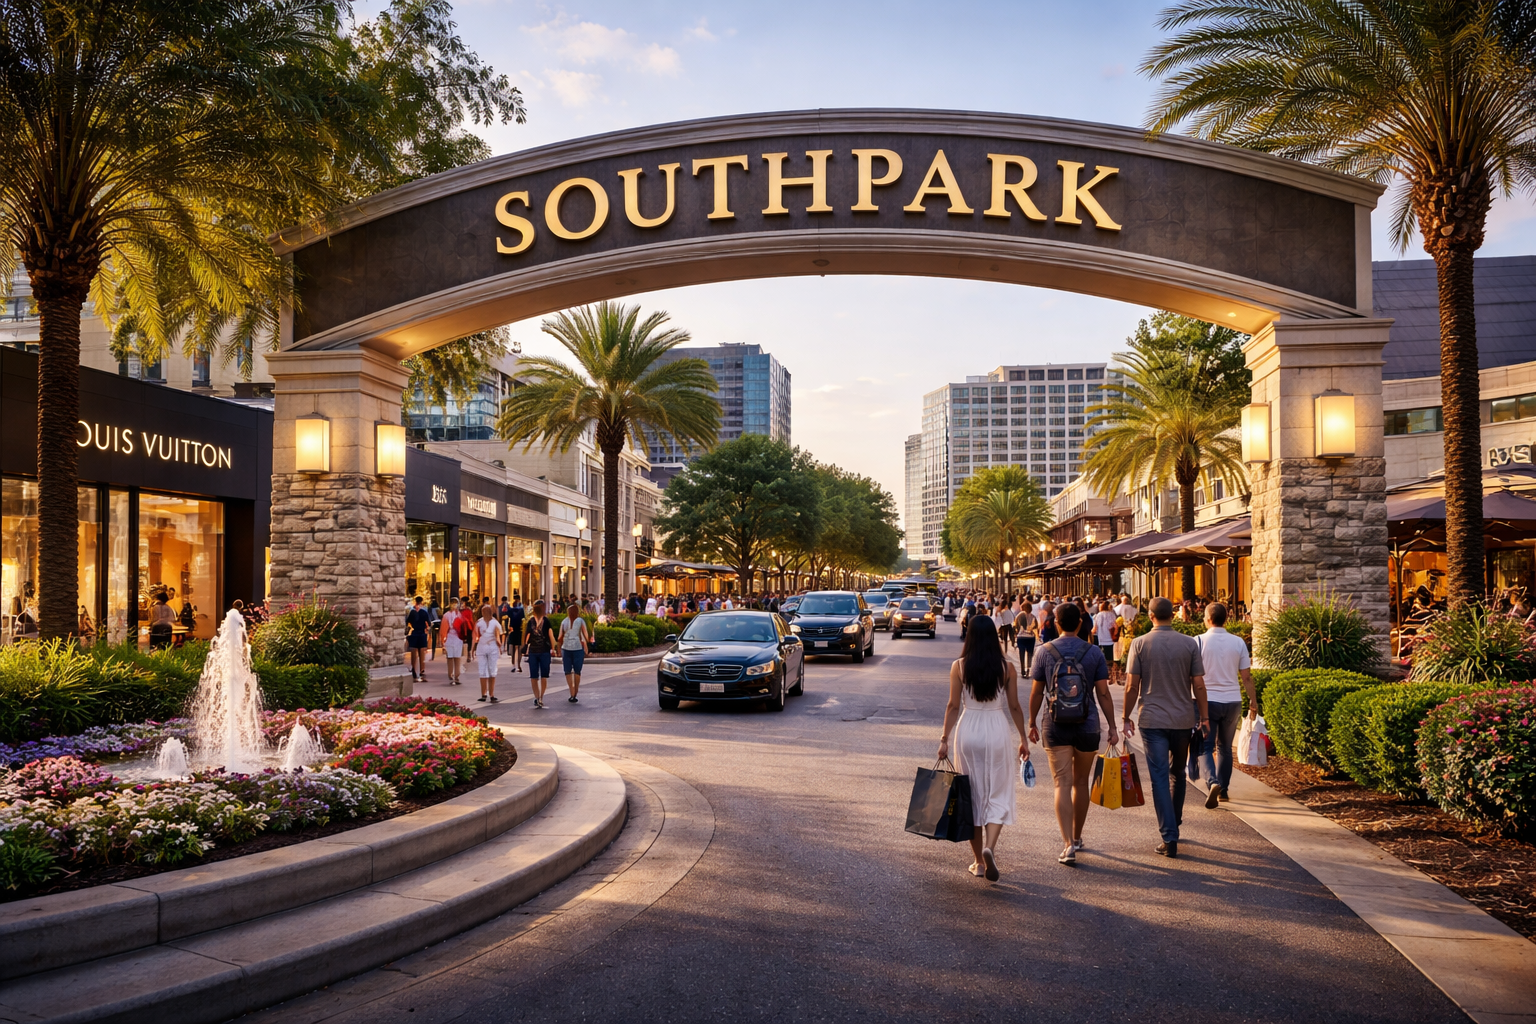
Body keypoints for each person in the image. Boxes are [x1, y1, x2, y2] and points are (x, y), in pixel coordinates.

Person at [937, 615, 1030, 882]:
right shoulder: (1007, 668)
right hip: (996, 729)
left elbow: (953, 706)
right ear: (994, 636)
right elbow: (1014, 706)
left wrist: (944, 738)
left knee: (971, 796)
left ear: (969, 637)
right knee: (997, 792)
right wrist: (1023, 738)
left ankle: (978, 862)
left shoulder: (959, 666)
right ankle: (990, 846)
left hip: (968, 730)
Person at [1028, 602, 1119, 865]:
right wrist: (1112, 726)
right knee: (1081, 783)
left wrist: (1031, 722)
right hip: (1088, 725)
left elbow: (1036, 692)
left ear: (1055, 623)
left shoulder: (1043, 652)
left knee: (1061, 784)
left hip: (1055, 724)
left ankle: (1067, 844)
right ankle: (1078, 837)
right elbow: (1102, 692)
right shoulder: (1093, 653)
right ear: (1080, 623)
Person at [1122, 596, 1209, 857]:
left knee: (1159, 777)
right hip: (1183, 720)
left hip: (1153, 719)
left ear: (1150, 616)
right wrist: (1204, 718)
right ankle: (1174, 823)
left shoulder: (1139, 644)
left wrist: (1125, 717)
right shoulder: (1189, 644)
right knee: (1177, 773)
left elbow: (1131, 686)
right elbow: (1200, 685)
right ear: (1173, 615)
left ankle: (1169, 835)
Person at [1194, 602, 1257, 807]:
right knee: (1225, 748)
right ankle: (1224, 790)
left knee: (1205, 746)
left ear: (1208, 618)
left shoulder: (1198, 642)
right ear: (1226, 619)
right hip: (1232, 700)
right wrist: (1253, 702)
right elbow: (1246, 677)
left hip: (1207, 701)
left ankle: (1212, 781)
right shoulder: (1238, 642)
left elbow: (1191, 676)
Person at [522, 600, 558, 708]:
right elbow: (551, 636)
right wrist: (553, 649)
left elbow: (527, 636)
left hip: (534, 651)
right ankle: (540, 697)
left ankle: (537, 697)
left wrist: (525, 646)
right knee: (543, 676)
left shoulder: (531, 621)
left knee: (534, 676)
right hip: (544, 651)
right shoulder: (546, 621)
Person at [559, 603, 591, 703]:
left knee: (567, 671)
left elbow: (560, 636)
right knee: (577, 671)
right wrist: (587, 644)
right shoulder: (580, 621)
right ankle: (575, 691)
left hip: (566, 648)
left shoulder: (564, 621)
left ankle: (571, 691)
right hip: (578, 648)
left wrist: (558, 647)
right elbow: (586, 635)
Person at [472, 602, 504, 703]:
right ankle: (484, 694)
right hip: (482, 647)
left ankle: (491, 694)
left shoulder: (495, 623)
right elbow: (475, 636)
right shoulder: (479, 623)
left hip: (492, 647)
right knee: (482, 670)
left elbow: (501, 634)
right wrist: (472, 649)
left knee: (492, 670)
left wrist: (500, 645)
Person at [438, 598, 466, 685]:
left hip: (455, 638)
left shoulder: (458, 615)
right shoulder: (450, 615)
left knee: (455, 657)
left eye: (455, 603)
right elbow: (443, 629)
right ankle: (452, 675)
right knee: (451, 657)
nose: (454, 605)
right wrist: (443, 640)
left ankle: (455, 675)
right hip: (452, 638)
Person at [405, 596, 431, 680]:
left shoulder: (412, 612)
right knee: (422, 653)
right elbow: (429, 623)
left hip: (414, 633)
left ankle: (413, 671)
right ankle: (422, 671)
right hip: (422, 633)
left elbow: (408, 622)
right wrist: (426, 629)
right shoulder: (424, 612)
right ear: (422, 601)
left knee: (413, 653)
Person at [1092, 601, 1117, 675]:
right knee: (1110, 656)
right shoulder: (1112, 614)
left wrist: (1090, 633)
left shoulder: (1098, 615)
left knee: (1103, 657)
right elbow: (1115, 626)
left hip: (1101, 638)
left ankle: (1104, 672)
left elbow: (1095, 628)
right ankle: (1111, 673)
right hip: (1110, 639)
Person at [1016, 601, 1038, 672]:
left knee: (1021, 653)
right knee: (1030, 653)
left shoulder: (1019, 615)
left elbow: (1016, 625)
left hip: (1021, 637)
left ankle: (1022, 669)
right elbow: (1036, 627)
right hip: (1030, 638)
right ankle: (1028, 668)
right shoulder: (1033, 617)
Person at [507, 597, 526, 674]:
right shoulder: (521, 610)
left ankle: (513, 665)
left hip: (513, 630)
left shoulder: (511, 610)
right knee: (519, 649)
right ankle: (518, 665)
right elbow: (523, 620)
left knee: (513, 649)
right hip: (519, 630)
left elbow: (508, 619)